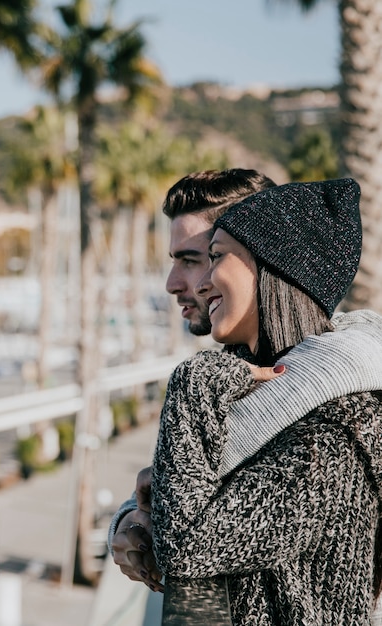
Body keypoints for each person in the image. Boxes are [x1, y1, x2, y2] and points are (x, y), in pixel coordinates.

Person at [108, 171, 382, 595]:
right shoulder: (239, 371)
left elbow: (192, 539)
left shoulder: (337, 410)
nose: (182, 284)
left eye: (200, 258)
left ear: (268, 257)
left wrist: (192, 380)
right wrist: (132, 517)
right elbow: (186, 481)